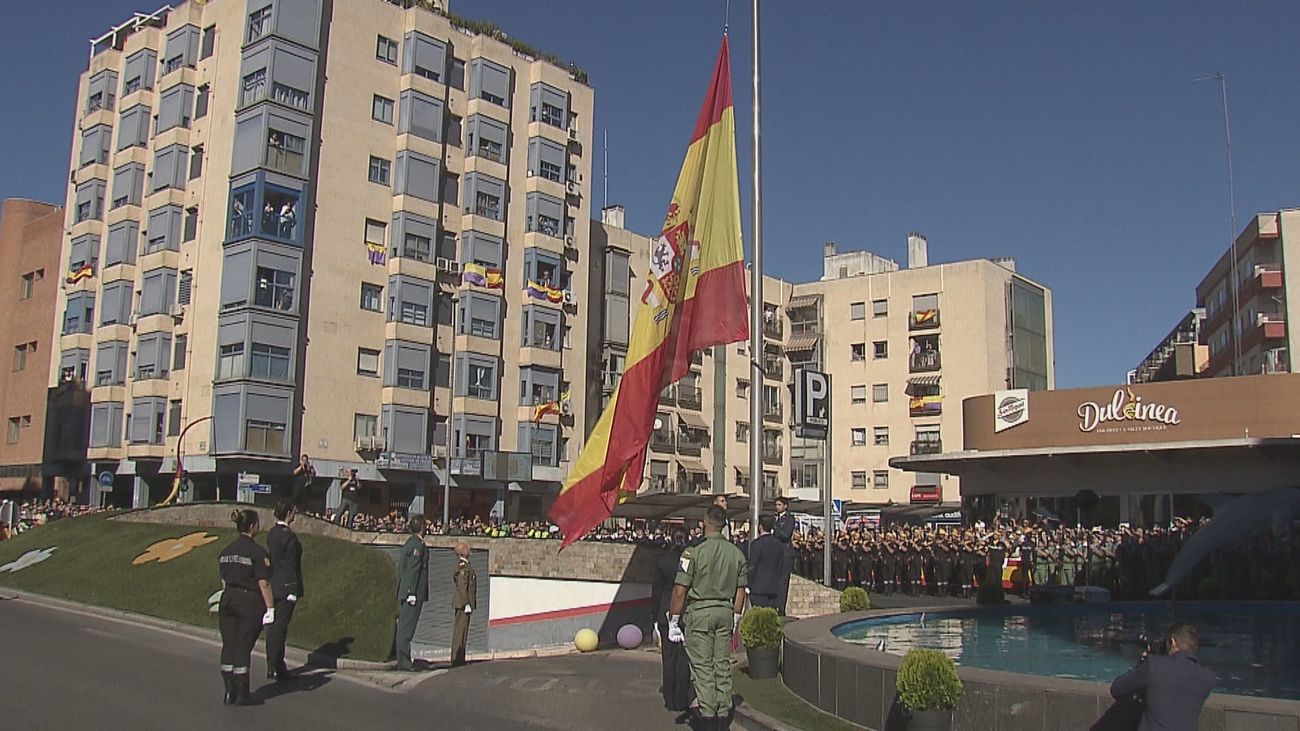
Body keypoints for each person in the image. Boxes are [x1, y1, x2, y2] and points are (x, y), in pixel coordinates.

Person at [669, 505, 748, 731]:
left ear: (705, 522)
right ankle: (723, 714)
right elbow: (741, 590)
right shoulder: (736, 553)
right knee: (721, 664)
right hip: (725, 611)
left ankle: (708, 716)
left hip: (700, 612)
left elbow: (679, 590)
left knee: (703, 668)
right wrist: (736, 617)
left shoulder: (693, 552)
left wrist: (674, 620)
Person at [1109, 622, 1215, 730]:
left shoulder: (1153, 665)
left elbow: (1117, 689)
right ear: (1195, 647)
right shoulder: (1207, 677)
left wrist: (1143, 662)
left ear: (1173, 642)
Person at [217, 509, 275, 706]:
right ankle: (242, 694)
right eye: (258, 523)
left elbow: (223, 581)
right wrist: (270, 608)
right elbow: (263, 583)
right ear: (252, 527)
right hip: (249, 603)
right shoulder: (257, 552)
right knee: (242, 647)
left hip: (228, 600)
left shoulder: (226, 552)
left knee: (229, 645)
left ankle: (228, 692)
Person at [651, 530, 692, 713]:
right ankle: (681, 699)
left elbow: (656, 591)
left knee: (668, 658)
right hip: (686, 612)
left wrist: (654, 617)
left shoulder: (662, 560)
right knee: (684, 659)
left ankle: (669, 698)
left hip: (666, 611)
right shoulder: (692, 561)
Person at [265, 500, 303, 682]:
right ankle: (274, 665)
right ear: (288, 513)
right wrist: (294, 589)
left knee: (275, 628)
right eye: (293, 511)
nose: (295, 514)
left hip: (275, 584)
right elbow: (292, 564)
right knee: (280, 628)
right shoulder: (290, 537)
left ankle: (277, 665)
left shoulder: (272, 534)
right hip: (288, 585)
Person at [395, 514, 428, 672]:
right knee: (406, 629)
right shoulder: (417, 545)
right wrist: (411, 592)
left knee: (405, 628)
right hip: (411, 593)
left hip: (408, 591)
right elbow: (414, 569)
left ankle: (403, 659)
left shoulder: (411, 542)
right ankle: (403, 661)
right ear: (422, 527)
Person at [747, 515, 785, 611]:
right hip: (774, 589)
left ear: (760, 527)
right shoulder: (779, 544)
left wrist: (748, 584)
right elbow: (781, 567)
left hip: (758, 589)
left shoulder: (757, 544)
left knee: (758, 618)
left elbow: (752, 566)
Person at [451, 542, 477, 667]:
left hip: (465, 603)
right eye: (467, 548)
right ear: (463, 552)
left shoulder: (466, 566)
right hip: (462, 603)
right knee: (459, 631)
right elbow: (462, 587)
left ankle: (460, 658)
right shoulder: (463, 567)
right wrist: (466, 603)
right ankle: (456, 658)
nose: (469, 549)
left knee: (464, 631)